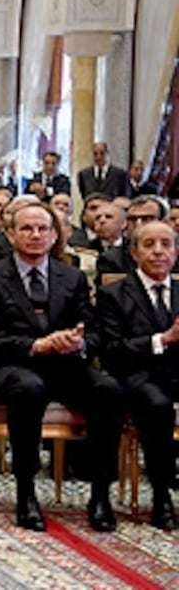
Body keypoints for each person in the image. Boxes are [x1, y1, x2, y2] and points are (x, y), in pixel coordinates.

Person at [0, 201, 125, 532]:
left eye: (42, 229)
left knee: (108, 390)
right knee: (29, 388)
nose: (35, 235)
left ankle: (100, 495)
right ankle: (26, 493)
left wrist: (78, 342)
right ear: (10, 235)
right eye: (26, 228)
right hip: (10, 367)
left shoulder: (73, 277)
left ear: (55, 236)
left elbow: (95, 331)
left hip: (64, 365)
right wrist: (35, 345)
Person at [95, 220, 178, 530]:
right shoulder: (114, 294)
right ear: (134, 252)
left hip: (175, 375)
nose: (158, 252)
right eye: (149, 245)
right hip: (135, 375)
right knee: (157, 405)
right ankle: (161, 495)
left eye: (166, 245)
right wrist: (163, 339)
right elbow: (113, 350)